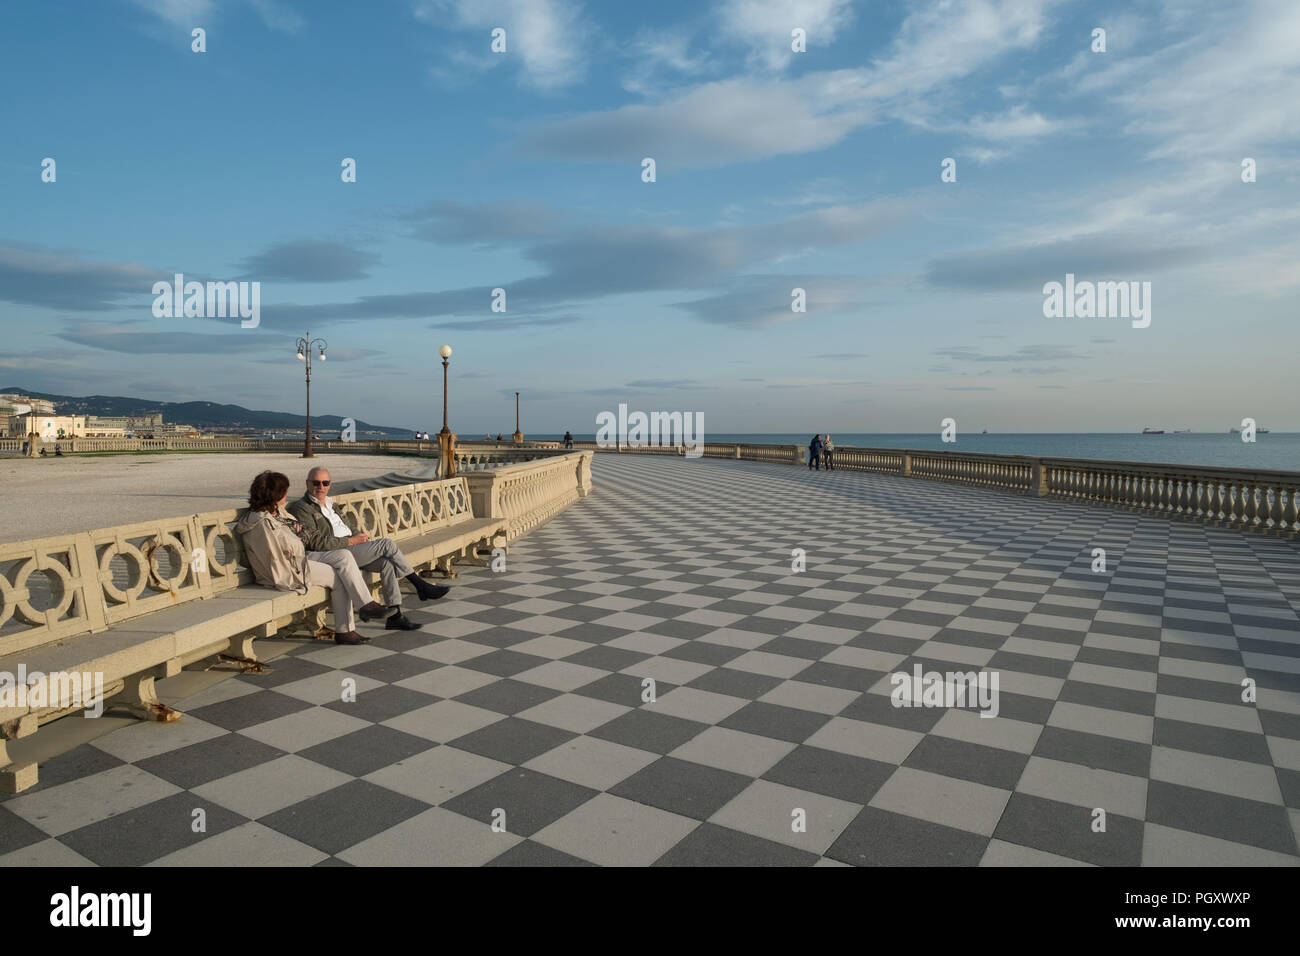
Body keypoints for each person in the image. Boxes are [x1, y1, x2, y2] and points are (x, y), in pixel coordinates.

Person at [288, 466, 449, 631]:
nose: (320, 486)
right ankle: (420, 585)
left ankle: (395, 616)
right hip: (334, 554)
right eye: (316, 482)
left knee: (387, 564)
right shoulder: (301, 508)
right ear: (307, 483)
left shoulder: (332, 504)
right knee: (387, 544)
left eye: (325, 482)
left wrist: (360, 538)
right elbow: (316, 542)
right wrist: (351, 541)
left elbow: (349, 527)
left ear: (329, 484)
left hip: (352, 548)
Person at [236, 471, 388, 645]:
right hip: (288, 571)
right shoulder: (262, 523)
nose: (287, 494)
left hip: (300, 558)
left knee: (344, 556)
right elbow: (275, 559)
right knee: (339, 577)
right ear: (276, 494)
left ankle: (365, 606)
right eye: (284, 490)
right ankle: (347, 629)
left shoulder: (277, 512)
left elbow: (300, 538)